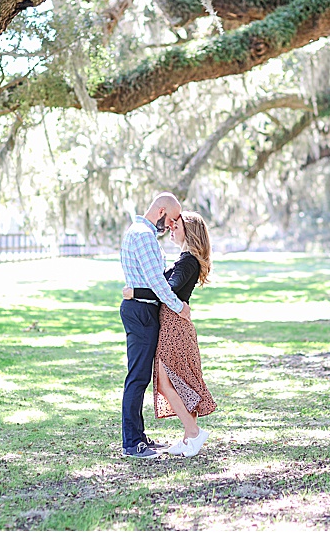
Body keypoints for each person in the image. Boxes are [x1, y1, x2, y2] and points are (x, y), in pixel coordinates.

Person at [124, 211, 216, 458]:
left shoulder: (187, 261)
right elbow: (164, 286)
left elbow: (167, 291)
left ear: (190, 231)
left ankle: (193, 432)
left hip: (174, 326)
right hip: (174, 324)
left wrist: (135, 292)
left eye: (177, 226)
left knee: (166, 381)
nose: (172, 229)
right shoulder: (186, 259)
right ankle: (188, 439)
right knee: (180, 379)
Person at [119, 193, 191, 459]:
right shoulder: (144, 235)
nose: (171, 226)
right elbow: (156, 282)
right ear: (161, 211)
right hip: (141, 311)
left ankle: (139, 436)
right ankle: (132, 443)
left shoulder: (138, 232)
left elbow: (154, 277)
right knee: (137, 377)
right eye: (171, 219)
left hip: (140, 306)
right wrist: (179, 307)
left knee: (140, 377)